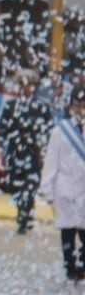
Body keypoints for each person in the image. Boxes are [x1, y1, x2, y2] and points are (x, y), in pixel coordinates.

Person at [41, 85, 85, 283]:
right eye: (79, 105)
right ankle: (70, 266)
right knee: (67, 231)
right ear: (72, 106)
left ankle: (83, 265)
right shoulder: (60, 131)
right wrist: (48, 190)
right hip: (65, 186)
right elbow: (51, 161)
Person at [0, 72, 52, 233]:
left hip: (33, 153)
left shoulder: (42, 107)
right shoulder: (10, 106)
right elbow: (3, 129)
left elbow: (48, 129)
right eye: (23, 84)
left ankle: (25, 218)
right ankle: (23, 214)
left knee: (29, 187)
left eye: (29, 84)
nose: (26, 88)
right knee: (16, 187)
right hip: (15, 153)